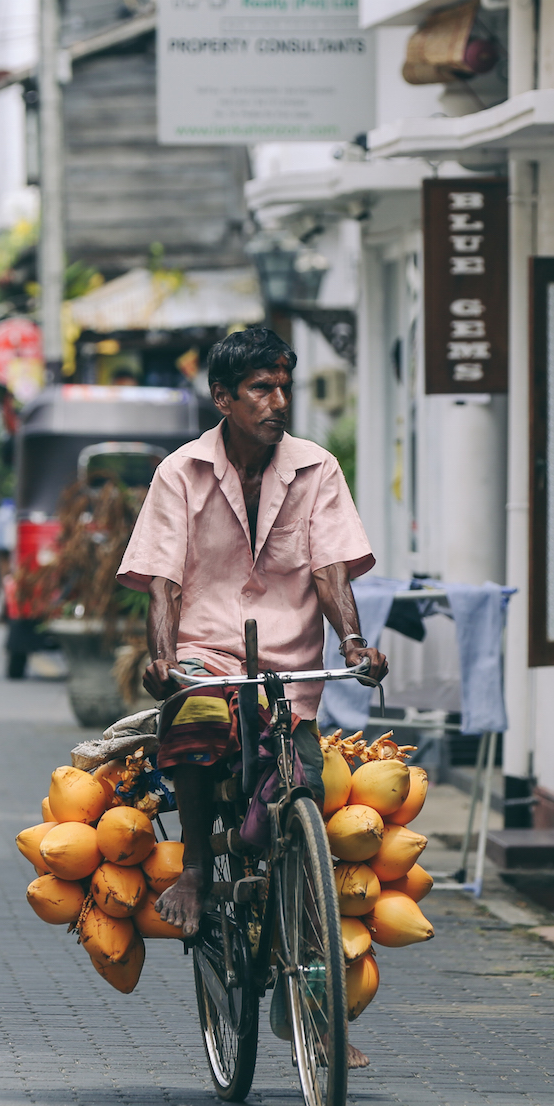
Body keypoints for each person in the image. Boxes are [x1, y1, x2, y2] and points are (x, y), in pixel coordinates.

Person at [116, 327, 388, 1066]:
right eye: (261, 390)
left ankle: (307, 1003)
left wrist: (355, 645)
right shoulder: (182, 471)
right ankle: (200, 870)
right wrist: (164, 657)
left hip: (288, 672)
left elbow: (332, 571)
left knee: (306, 814)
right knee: (197, 723)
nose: (277, 402)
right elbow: (164, 579)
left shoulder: (317, 469)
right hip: (208, 657)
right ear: (223, 399)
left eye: (282, 387)